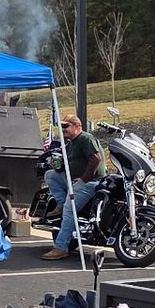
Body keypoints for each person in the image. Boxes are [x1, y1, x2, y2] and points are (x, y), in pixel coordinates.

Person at [43, 112, 105, 261]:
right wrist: (58, 166)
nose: (63, 129)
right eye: (62, 126)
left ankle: (60, 247)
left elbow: (96, 159)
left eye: (66, 126)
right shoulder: (70, 144)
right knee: (50, 175)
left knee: (69, 209)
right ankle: (60, 203)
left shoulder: (85, 138)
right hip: (74, 179)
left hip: (90, 182)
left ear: (78, 127)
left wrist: (84, 179)